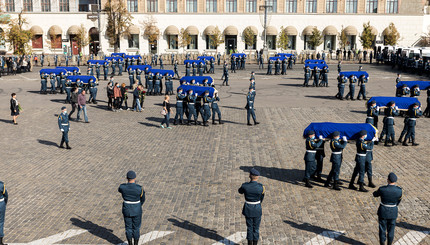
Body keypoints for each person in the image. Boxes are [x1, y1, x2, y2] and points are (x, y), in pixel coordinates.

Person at [373, 173, 402, 245]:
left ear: (387, 180)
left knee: (382, 229)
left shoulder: (382, 189)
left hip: (383, 211)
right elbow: (398, 201)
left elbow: (375, 194)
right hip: (393, 212)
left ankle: (382, 243)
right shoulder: (399, 190)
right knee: (391, 230)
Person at [118, 171, 146, 245]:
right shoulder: (139, 188)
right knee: (136, 228)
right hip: (137, 209)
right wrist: (139, 205)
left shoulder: (122, 187)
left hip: (127, 209)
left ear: (127, 178)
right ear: (135, 178)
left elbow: (120, 190)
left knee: (128, 228)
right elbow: (143, 199)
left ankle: (130, 243)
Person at [238, 168, 265, 245]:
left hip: (248, 209)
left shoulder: (245, 186)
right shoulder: (261, 187)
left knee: (249, 227)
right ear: (257, 177)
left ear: (250, 176)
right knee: (256, 228)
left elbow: (240, 191)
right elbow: (262, 198)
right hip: (257, 208)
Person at [0, 179, 8, 245]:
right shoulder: (1, 185)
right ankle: (0, 241)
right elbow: (6, 195)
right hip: (0, 204)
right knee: (1, 222)